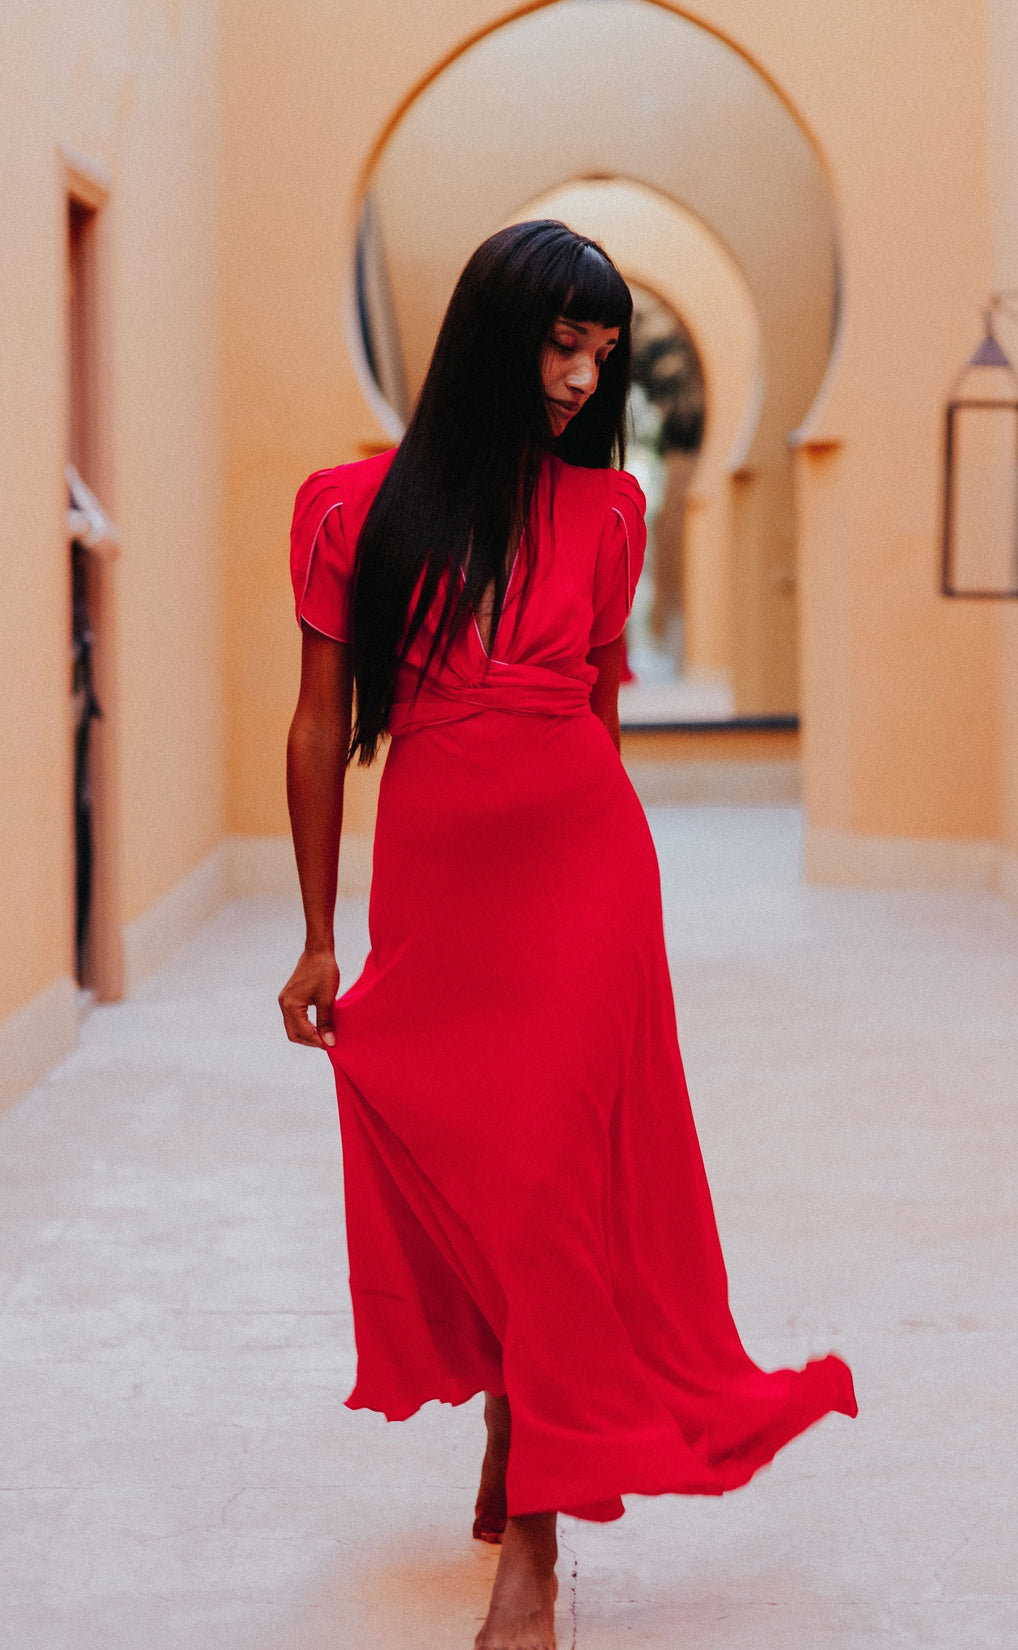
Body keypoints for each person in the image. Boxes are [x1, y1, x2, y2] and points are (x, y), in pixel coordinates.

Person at [278, 220, 856, 1650]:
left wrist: (608, 897)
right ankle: (505, 1403)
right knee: (456, 1150)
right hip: (436, 878)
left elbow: (597, 714)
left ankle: (531, 1543)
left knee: (549, 1180)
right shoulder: (351, 509)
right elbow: (316, 724)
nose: (585, 376)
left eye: (604, 350)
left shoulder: (609, 515)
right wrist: (313, 933)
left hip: (582, 874)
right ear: (495, 333)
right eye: (564, 341)